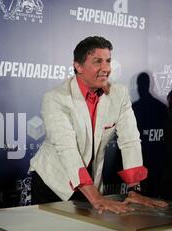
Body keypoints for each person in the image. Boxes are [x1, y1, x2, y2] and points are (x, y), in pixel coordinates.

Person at [29, 36, 168, 214]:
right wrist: (96, 198)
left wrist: (135, 190)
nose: (106, 68)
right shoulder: (55, 98)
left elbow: (130, 140)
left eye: (108, 61)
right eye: (98, 61)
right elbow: (66, 148)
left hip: (90, 184)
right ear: (78, 66)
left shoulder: (119, 94)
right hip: (53, 182)